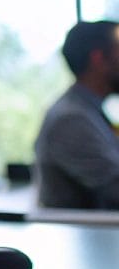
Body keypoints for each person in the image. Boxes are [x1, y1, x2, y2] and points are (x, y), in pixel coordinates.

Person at [35, 20, 119, 209]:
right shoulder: (71, 119)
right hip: (92, 235)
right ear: (98, 59)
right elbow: (115, 188)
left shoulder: (90, 112)